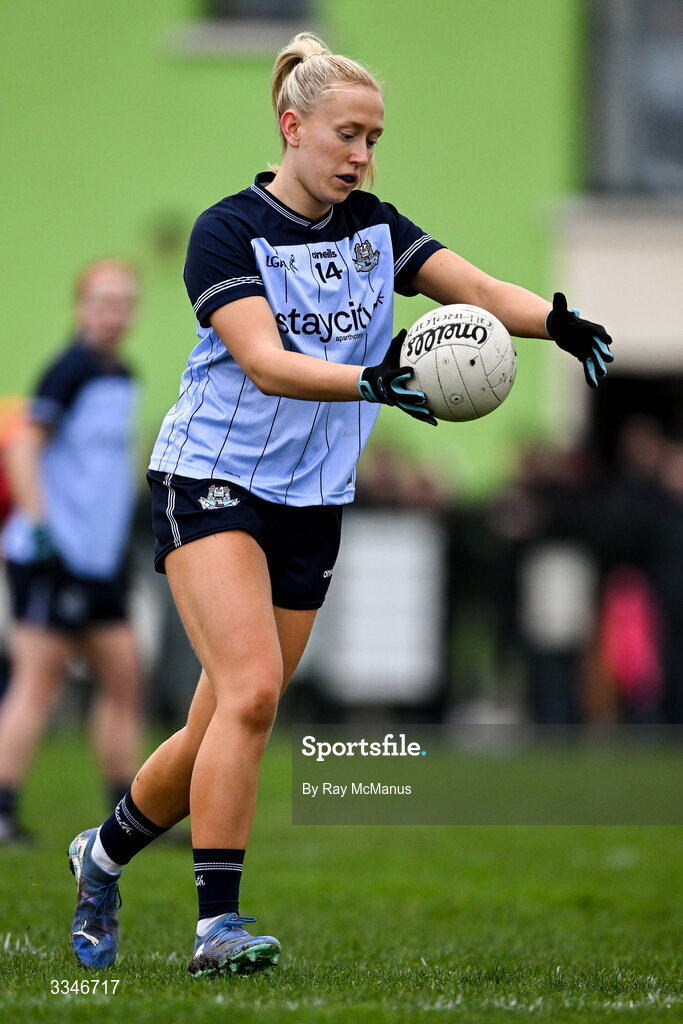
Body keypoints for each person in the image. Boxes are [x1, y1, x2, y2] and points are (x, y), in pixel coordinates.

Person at [67, 33, 614, 978]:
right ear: (293, 127)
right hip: (211, 474)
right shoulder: (227, 230)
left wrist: (552, 319)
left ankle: (102, 854)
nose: (362, 155)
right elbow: (265, 362)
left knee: (218, 726)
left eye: (373, 138)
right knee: (251, 694)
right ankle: (217, 930)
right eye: (347, 135)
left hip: (310, 496)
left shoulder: (375, 225)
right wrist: (372, 382)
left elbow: (475, 289)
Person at [0, 260, 143, 843]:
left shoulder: (123, 375)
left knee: (126, 678)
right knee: (38, 681)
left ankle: (128, 816)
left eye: (125, 303)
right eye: (103, 302)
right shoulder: (69, 371)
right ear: (81, 307)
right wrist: (41, 528)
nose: (114, 314)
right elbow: (23, 451)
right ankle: (3, 809)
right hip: (52, 557)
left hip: (98, 561)